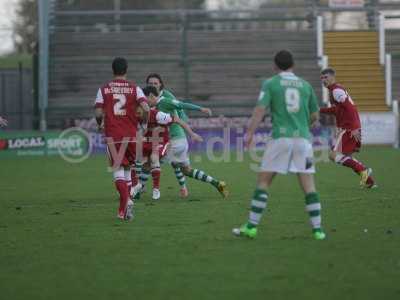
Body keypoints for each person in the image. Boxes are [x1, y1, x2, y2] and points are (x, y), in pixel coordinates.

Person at [233, 50, 326, 240]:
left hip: (280, 139)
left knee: (264, 182)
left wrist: (249, 132)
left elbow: (260, 109)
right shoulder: (305, 85)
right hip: (303, 141)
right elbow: (316, 115)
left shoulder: (271, 83)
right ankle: (318, 230)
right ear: (293, 65)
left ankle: (251, 227)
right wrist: (303, 127)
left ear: (275, 66)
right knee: (309, 186)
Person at [136, 73, 228, 199]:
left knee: (149, 162)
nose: (152, 85)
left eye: (155, 83)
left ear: (160, 85)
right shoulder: (151, 101)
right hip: (178, 141)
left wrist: (201, 109)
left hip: (174, 139)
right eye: (150, 84)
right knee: (187, 170)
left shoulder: (165, 99)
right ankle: (217, 183)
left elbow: (181, 106)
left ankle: (137, 192)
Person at [94, 57, 150, 220]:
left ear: (113, 70)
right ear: (126, 70)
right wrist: (144, 124)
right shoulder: (135, 88)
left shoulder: (104, 89)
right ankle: (124, 209)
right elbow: (146, 107)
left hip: (114, 137)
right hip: (131, 138)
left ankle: (125, 207)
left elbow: (98, 112)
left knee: (118, 173)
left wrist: (100, 123)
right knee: (127, 172)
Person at [132, 85, 203, 200]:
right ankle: (137, 187)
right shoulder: (139, 115)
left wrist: (191, 134)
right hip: (149, 142)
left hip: (162, 142)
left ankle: (155, 189)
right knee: (137, 161)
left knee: (154, 159)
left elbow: (177, 119)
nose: (140, 107)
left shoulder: (158, 113)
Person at [319, 68, 376, 188]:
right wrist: (320, 110)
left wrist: (354, 127)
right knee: (347, 158)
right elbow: (336, 110)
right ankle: (369, 182)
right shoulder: (334, 90)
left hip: (349, 128)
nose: (323, 80)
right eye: (322, 78)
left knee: (333, 155)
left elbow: (350, 108)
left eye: (326, 77)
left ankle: (364, 170)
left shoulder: (336, 90)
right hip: (350, 127)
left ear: (333, 77)